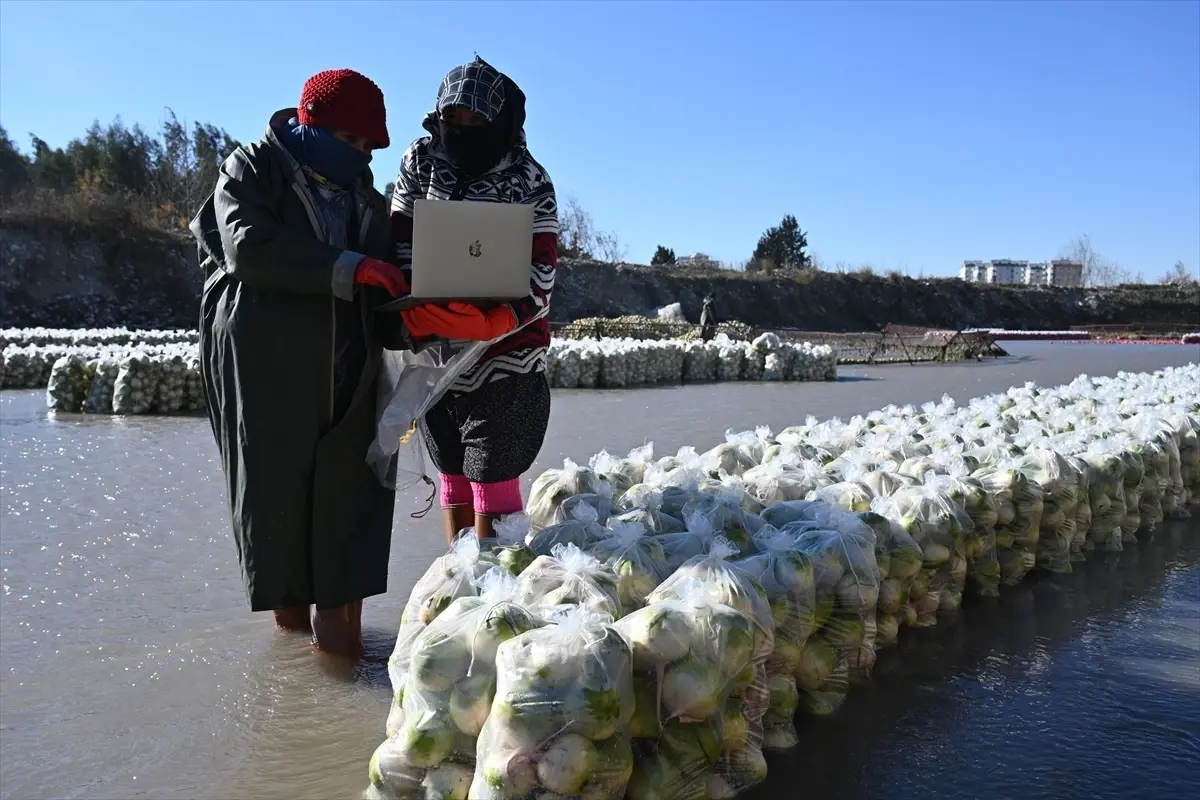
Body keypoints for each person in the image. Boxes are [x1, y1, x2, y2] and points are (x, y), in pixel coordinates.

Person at [189, 69, 412, 660]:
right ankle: (299, 670)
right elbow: (249, 247)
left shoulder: (366, 197)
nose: (360, 155)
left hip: (350, 371)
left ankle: (339, 662)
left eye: (369, 147)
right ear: (308, 122)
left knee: (352, 502)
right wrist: (350, 267)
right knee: (280, 507)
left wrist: (432, 315)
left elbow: (390, 294)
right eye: (351, 139)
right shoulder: (253, 167)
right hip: (271, 371)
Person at [389, 56, 559, 544]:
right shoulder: (420, 160)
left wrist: (503, 316)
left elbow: (542, 267)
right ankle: (457, 585)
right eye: (453, 121)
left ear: (500, 123)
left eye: (476, 122)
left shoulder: (528, 178)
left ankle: (491, 590)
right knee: (450, 463)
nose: (462, 131)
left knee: (494, 464)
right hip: (435, 340)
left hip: (507, 349)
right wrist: (415, 303)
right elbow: (401, 238)